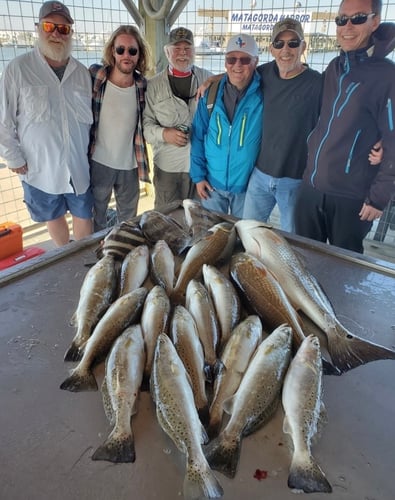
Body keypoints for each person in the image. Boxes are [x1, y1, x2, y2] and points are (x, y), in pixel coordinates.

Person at [295, 0, 395, 253]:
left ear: (375, 22)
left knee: (344, 272)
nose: (347, 26)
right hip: (311, 188)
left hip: (351, 197)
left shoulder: (387, 75)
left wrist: (379, 198)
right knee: (304, 260)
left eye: (358, 18)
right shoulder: (334, 67)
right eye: (341, 19)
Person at [0, 1, 93, 247]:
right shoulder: (18, 69)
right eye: (50, 26)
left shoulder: (82, 73)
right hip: (39, 167)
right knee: (53, 216)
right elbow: (3, 119)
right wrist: (13, 157)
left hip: (78, 166)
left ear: (70, 33)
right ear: (38, 28)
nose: (56, 33)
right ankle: (64, 258)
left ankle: (83, 262)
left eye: (63, 29)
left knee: (84, 214)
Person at [242, 19, 322, 232]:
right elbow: (236, 74)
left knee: (294, 242)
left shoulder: (318, 83)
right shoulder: (263, 73)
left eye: (293, 43)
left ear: (303, 47)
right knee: (247, 231)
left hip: (295, 181)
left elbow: (341, 117)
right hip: (259, 176)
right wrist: (210, 81)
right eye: (279, 44)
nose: (286, 50)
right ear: (271, 49)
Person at [190, 34, 263, 217]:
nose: (237, 65)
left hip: (249, 188)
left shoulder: (265, 94)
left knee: (245, 239)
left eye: (245, 59)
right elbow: (198, 135)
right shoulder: (211, 94)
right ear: (225, 62)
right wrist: (198, 177)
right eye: (232, 59)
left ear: (256, 62)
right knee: (212, 238)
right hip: (212, 185)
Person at [89, 25, 151, 232]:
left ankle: (122, 257)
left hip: (130, 165)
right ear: (112, 52)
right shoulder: (96, 76)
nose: (126, 55)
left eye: (132, 50)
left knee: (128, 222)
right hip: (99, 162)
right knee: (96, 217)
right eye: (120, 49)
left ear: (139, 54)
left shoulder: (143, 85)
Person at [143, 27, 212, 209]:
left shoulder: (208, 78)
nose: (183, 53)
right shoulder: (153, 85)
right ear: (167, 51)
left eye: (187, 48)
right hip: (167, 168)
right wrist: (165, 134)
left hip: (200, 168)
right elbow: (146, 127)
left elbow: (235, 77)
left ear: (194, 52)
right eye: (177, 48)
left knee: (198, 220)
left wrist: (215, 79)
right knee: (166, 221)